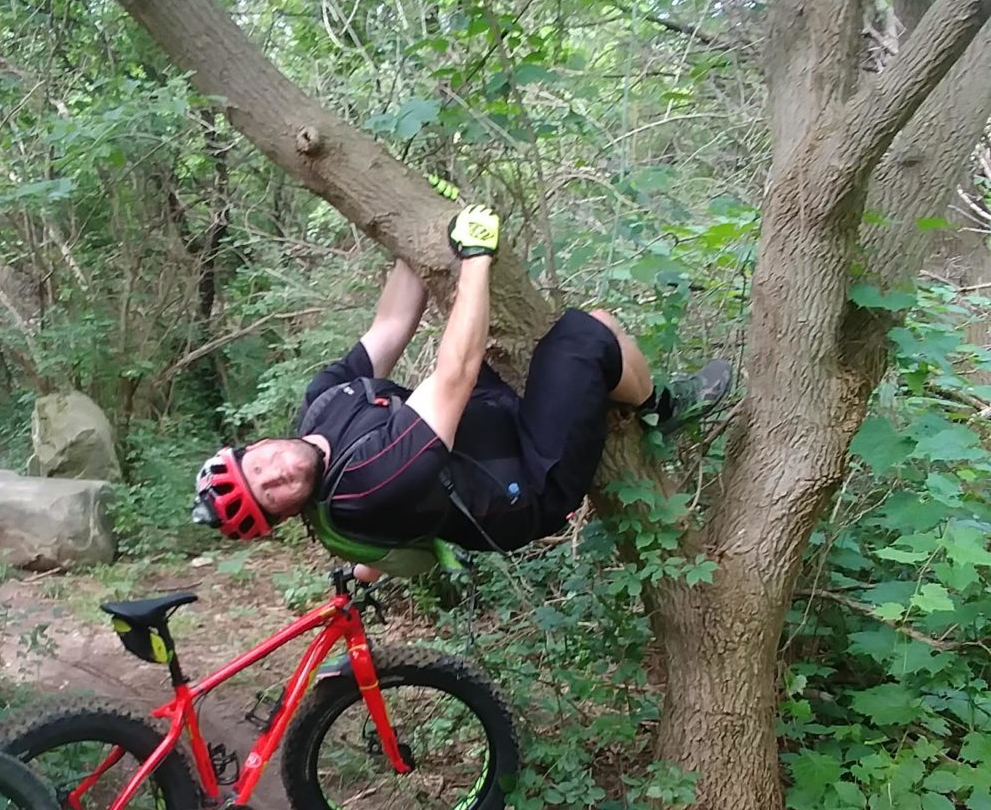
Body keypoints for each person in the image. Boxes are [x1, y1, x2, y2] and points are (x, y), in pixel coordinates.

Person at [192, 206, 730, 555]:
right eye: (272, 496)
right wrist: (474, 256)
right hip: (525, 481)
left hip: (484, 425)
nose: (280, 476)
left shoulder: (321, 405)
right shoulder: (365, 484)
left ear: (258, 445)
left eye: (261, 467)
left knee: (576, 332)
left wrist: (419, 230)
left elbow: (390, 326)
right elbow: (454, 375)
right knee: (586, 334)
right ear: (287, 515)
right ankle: (659, 408)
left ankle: (627, 400)